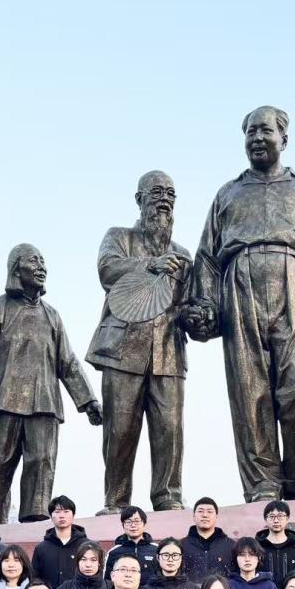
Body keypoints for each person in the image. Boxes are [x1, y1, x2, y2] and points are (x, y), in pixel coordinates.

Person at [188, 105, 295, 502]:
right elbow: (207, 257)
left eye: (265, 131)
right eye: (250, 132)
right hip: (239, 287)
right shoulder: (227, 193)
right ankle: (262, 484)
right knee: (250, 392)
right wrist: (205, 305)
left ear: (284, 139)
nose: (258, 138)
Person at [0, 243, 103, 522]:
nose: (42, 267)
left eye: (43, 262)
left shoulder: (52, 315)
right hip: (3, 400)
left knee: (42, 463)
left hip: (45, 402)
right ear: (16, 269)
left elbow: (68, 362)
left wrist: (88, 401)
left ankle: (35, 523)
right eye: (34, 261)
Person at [88, 170, 193, 514]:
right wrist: (151, 264)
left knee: (170, 430)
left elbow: (189, 301)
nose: (164, 200)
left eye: (170, 194)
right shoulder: (119, 237)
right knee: (119, 430)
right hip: (122, 350)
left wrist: (197, 316)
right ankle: (116, 501)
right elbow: (107, 270)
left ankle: (168, 496)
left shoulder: (184, 255)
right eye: (156, 192)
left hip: (169, 352)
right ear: (139, 199)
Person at [30, 495, 90, 589]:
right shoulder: (41, 548)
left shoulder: (86, 545)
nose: (62, 516)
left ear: (73, 515)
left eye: (66, 511)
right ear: (51, 516)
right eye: (57, 512)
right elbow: (35, 578)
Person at [255, 500, 295, 586]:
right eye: (271, 516)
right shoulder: (257, 547)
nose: (276, 520)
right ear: (265, 519)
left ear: (287, 518)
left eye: (280, 516)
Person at [182, 497, 235, 582]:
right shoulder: (181, 546)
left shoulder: (231, 546)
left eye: (210, 512)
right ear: (193, 516)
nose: (205, 515)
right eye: (200, 511)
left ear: (216, 516)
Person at [103, 506, 158, 580]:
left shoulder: (156, 550)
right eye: (128, 522)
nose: (133, 525)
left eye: (137, 521)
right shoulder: (114, 552)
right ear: (123, 525)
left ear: (144, 524)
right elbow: (107, 581)